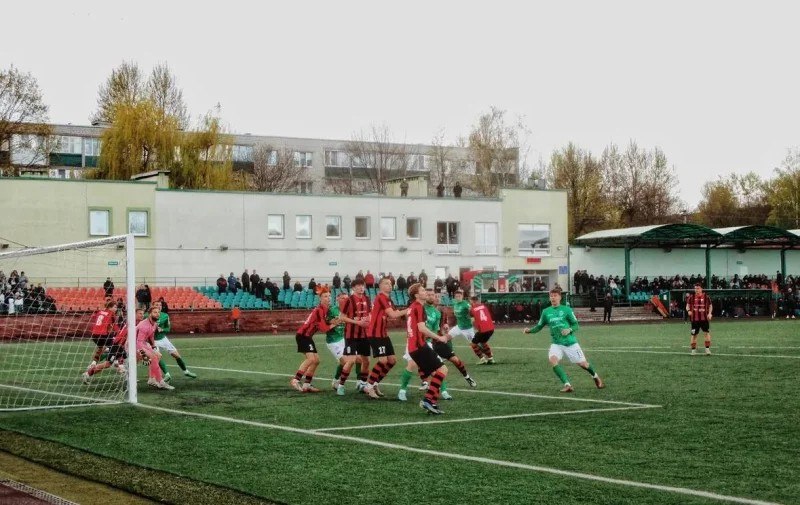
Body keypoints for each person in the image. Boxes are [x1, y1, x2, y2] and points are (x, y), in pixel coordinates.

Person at [398, 291, 476, 402]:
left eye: (433, 295)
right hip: (415, 341)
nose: (432, 296)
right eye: (428, 294)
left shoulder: (438, 313)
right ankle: (403, 390)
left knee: (441, 365)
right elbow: (411, 321)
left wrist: (442, 332)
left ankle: (445, 390)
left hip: (430, 341)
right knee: (413, 364)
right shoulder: (419, 307)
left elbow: (435, 329)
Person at [523, 288, 604, 393]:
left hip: (570, 343)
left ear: (560, 297)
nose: (553, 298)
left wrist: (569, 330)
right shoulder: (546, 312)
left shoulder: (567, 310)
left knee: (583, 364)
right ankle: (567, 385)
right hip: (556, 343)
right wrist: (529, 331)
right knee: (553, 360)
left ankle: (595, 376)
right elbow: (539, 326)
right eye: (551, 296)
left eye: (555, 296)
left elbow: (576, 325)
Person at [404, 283, 450, 414]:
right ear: (416, 295)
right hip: (419, 346)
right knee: (443, 369)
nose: (425, 292)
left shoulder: (413, 307)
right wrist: (439, 337)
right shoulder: (418, 307)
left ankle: (432, 403)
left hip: (414, 347)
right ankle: (428, 400)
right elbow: (422, 328)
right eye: (423, 290)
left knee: (437, 373)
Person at [363, 277, 408, 399]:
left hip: (383, 333)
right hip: (375, 333)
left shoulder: (388, 299)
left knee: (392, 361)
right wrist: (408, 310)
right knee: (383, 361)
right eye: (386, 283)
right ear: (380, 286)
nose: (390, 285)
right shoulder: (381, 297)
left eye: (390, 283)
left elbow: (396, 313)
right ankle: (369, 386)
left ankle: (375, 383)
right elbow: (392, 314)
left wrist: (407, 313)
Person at [291, 288, 339, 393]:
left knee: (316, 361)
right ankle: (295, 380)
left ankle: (307, 385)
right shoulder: (319, 310)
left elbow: (324, 322)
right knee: (311, 359)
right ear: (320, 298)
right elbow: (324, 328)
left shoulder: (325, 309)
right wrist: (335, 323)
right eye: (325, 296)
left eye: (329, 296)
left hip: (308, 337)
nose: (328, 298)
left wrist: (333, 321)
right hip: (303, 336)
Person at [83, 308, 144, 381]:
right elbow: (125, 336)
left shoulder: (136, 323)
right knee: (107, 364)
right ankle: (87, 374)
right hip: (117, 345)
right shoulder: (131, 323)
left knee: (132, 359)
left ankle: (128, 376)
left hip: (121, 346)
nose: (142, 315)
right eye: (140, 313)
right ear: (134, 314)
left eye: (143, 314)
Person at [337, 279, 371, 393]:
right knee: (351, 361)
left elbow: (369, 314)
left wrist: (369, 320)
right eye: (358, 286)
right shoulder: (349, 300)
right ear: (353, 288)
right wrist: (358, 322)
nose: (361, 287)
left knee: (366, 361)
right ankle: (341, 385)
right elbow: (342, 317)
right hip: (351, 335)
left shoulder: (367, 299)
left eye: (362, 285)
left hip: (364, 335)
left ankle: (362, 384)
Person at [328, 291, 366, 394]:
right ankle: (336, 381)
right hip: (334, 340)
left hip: (346, 338)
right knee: (345, 361)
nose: (345, 300)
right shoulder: (332, 310)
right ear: (337, 299)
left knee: (359, 359)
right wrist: (334, 322)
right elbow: (325, 323)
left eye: (346, 298)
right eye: (342, 298)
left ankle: (359, 382)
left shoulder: (351, 309)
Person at [152, 300, 197, 381]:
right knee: (158, 357)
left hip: (163, 339)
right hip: (153, 341)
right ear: (152, 306)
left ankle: (186, 371)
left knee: (177, 355)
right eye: (156, 305)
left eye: (160, 305)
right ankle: (167, 375)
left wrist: (162, 329)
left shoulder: (165, 316)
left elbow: (168, 329)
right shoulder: (147, 316)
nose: (159, 306)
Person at [87, 300, 118, 368]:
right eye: (115, 307)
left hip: (94, 335)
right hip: (103, 334)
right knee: (115, 346)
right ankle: (117, 363)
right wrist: (119, 333)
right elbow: (115, 326)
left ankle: (93, 363)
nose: (116, 309)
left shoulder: (99, 312)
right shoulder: (111, 313)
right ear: (110, 307)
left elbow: (94, 318)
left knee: (100, 348)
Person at [686, 283, 713, 355]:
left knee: (706, 333)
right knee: (694, 335)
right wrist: (688, 311)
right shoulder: (691, 297)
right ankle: (693, 350)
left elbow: (710, 306)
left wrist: (710, 313)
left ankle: (707, 349)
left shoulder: (706, 297)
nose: (696, 290)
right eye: (695, 288)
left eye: (698, 288)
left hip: (704, 319)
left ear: (701, 289)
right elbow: (687, 305)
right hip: (694, 320)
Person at [469, 296, 496, 364]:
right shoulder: (484, 306)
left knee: (473, 344)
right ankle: (491, 358)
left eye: (470, 302)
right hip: (491, 328)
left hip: (483, 330)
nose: (470, 303)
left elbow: (471, 316)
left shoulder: (472, 309)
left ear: (473, 301)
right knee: (483, 342)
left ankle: (482, 359)